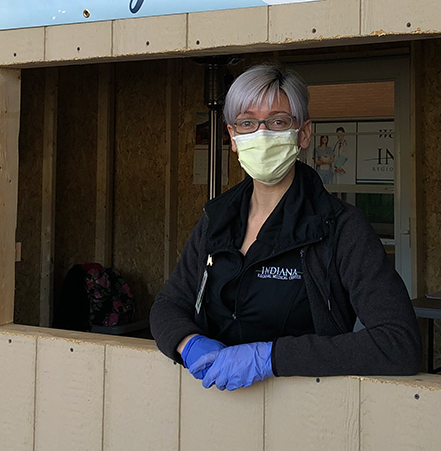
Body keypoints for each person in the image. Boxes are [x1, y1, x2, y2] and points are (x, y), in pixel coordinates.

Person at [150, 64, 421, 391]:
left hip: (304, 415)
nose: (261, 134)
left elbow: (399, 342)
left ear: (303, 133)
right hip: (211, 407)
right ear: (233, 137)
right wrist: (188, 342)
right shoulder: (216, 219)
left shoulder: (340, 227)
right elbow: (168, 304)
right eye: (247, 123)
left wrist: (270, 358)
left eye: (278, 121)